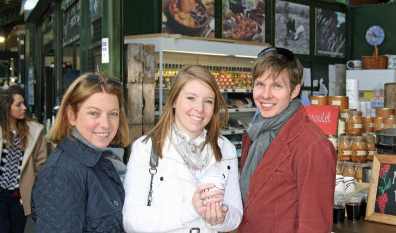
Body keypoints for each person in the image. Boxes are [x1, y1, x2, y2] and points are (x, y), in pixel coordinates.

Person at [123, 65, 243, 233]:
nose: (199, 108)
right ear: (173, 100)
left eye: (208, 101)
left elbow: (236, 216)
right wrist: (190, 210)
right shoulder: (146, 148)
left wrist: (221, 218)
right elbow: (131, 220)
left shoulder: (225, 150)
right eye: (191, 98)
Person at [238, 47, 337, 232]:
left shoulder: (313, 145)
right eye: (260, 84)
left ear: (294, 91)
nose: (266, 95)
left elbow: (314, 225)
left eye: (277, 86)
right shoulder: (256, 134)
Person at [31, 72, 129, 232]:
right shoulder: (60, 173)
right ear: (71, 116)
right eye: (93, 113)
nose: (106, 124)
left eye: (113, 114)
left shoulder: (104, 160)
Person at [0, 85, 48, 233]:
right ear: (7, 108)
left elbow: (41, 163)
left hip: (19, 194)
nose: (24, 108)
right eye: (18, 105)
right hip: (0, 193)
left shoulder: (34, 130)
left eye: (24, 104)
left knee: (18, 229)